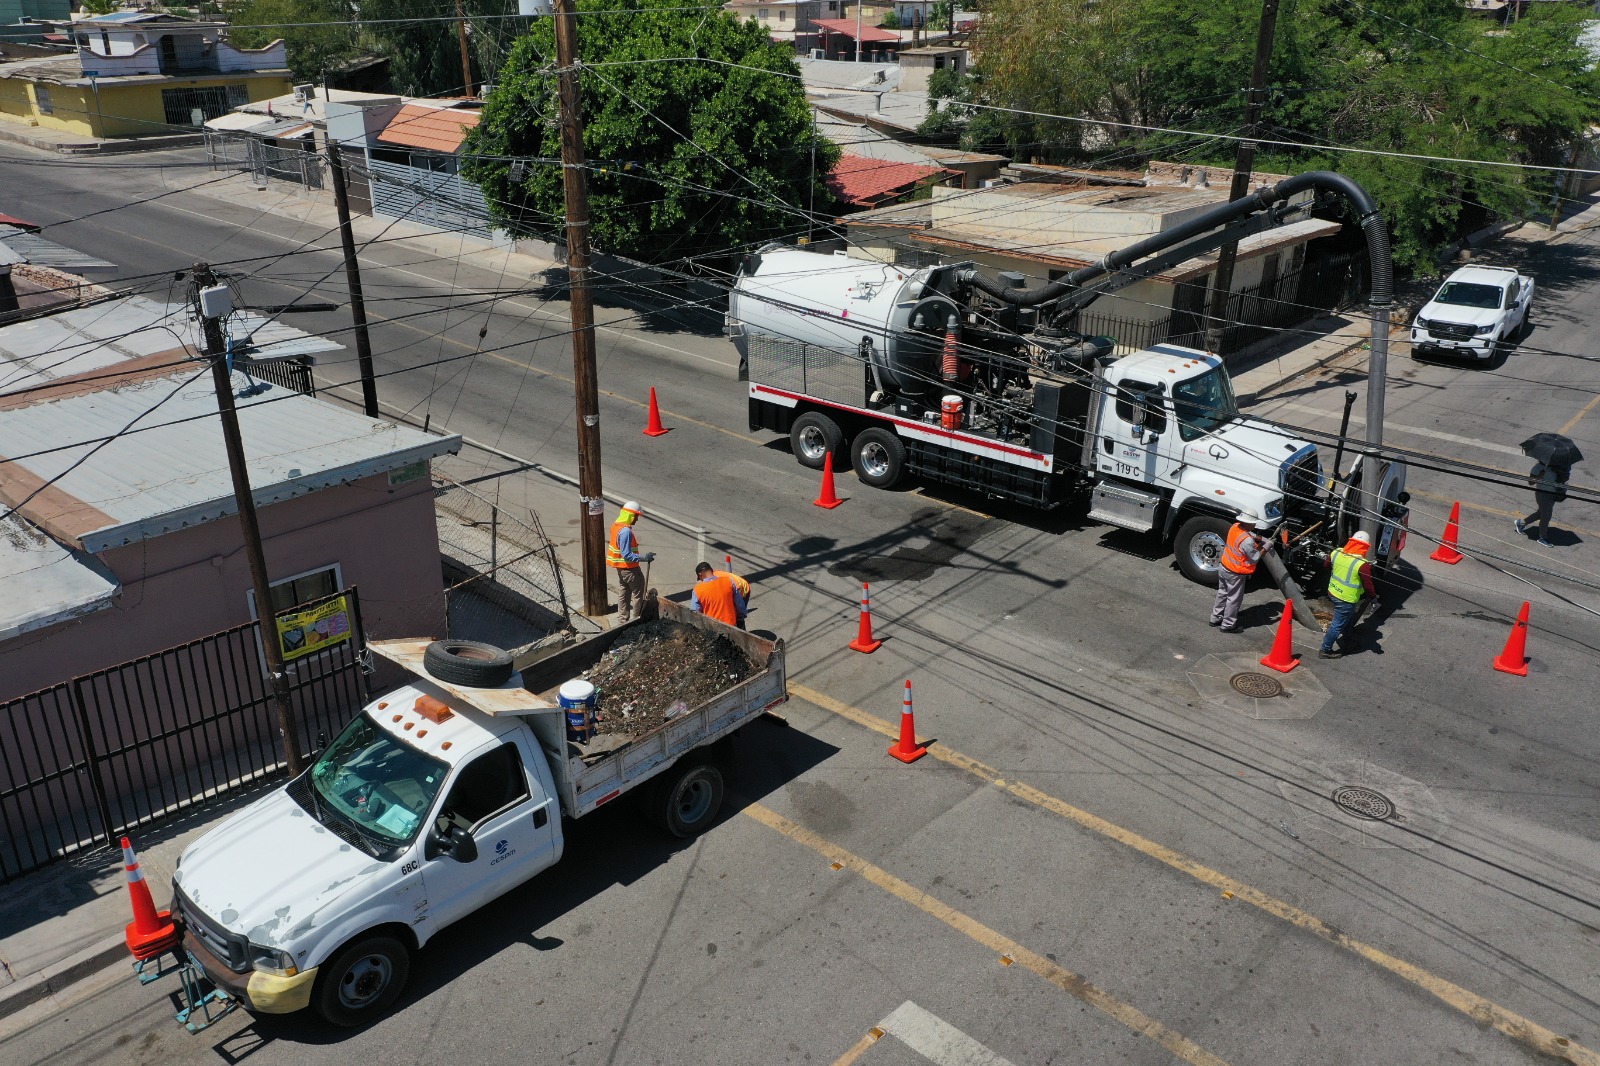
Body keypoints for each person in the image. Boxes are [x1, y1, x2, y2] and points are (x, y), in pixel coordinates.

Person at [1210, 510, 1272, 632]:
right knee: (1234, 599)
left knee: (1222, 593)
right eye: (1254, 523)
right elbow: (1254, 558)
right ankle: (1228, 625)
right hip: (1235, 573)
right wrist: (1266, 546)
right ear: (1248, 523)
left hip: (1224, 567)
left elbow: (1250, 535)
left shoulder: (1235, 527)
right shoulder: (1247, 541)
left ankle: (1215, 618)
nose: (1255, 525)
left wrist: (1262, 538)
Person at [1319, 531, 1377, 659]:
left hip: (1332, 591)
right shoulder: (1362, 564)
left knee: (1349, 616)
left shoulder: (1337, 552)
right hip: (1346, 599)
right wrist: (1374, 599)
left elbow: (1326, 565)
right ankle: (1325, 650)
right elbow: (1368, 586)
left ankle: (1348, 638)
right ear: (1365, 547)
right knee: (1337, 625)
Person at [606, 501, 654, 626]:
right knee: (638, 595)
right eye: (636, 516)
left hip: (621, 570)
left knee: (624, 593)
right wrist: (644, 557)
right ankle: (636, 620)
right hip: (630, 569)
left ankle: (622, 621)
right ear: (630, 515)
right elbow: (627, 555)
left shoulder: (616, 526)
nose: (637, 519)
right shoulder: (626, 532)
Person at [1515, 460, 1570, 546]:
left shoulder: (1563, 467)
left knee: (1541, 513)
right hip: (1542, 494)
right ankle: (1542, 537)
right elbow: (1530, 482)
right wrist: (1539, 477)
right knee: (1546, 516)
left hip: (1554, 494)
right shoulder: (1539, 467)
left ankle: (1521, 523)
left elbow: (1566, 478)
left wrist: (1561, 473)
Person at [690, 562, 746, 628]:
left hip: (713, 628)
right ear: (712, 570)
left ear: (700, 575)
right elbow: (739, 604)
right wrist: (741, 617)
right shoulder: (728, 581)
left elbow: (695, 613)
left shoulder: (697, 590)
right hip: (731, 624)